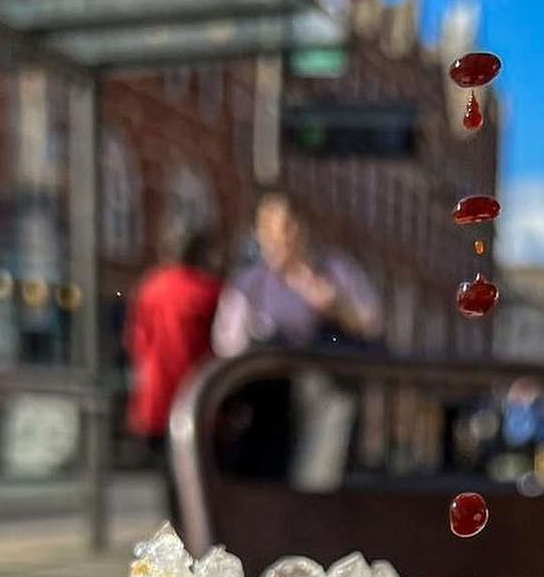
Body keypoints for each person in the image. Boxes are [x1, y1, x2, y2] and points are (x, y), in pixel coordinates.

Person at [211, 192, 382, 479]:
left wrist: (335, 306)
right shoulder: (249, 283)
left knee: (319, 479)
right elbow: (227, 343)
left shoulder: (333, 271)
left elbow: (372, 322)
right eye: (272, 229)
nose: (283, 238)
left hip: (324, 403)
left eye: (289, 227)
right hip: (268, 409)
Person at [126, 227, 223, 522]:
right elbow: (222, 344)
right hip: (195, 399)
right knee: (199, 479)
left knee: (168, 480)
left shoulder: (149, 288)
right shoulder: (209, 291)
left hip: (155, 399)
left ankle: (177, 539)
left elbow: (137, 342)